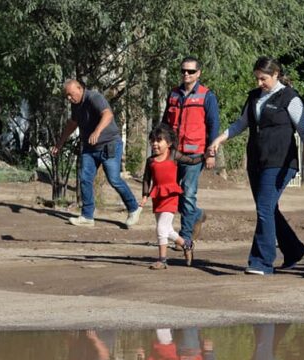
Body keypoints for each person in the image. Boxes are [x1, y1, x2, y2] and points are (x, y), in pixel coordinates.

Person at [208, 57, 304, 275]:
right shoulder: (254, 97)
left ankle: (262, 262)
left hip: (281, 162)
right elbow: (241, 124)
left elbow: (303, 129)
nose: (259, 83)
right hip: (256, 161)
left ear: (276, 75)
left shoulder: (290, 98)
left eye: (263, 78)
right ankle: (293, 249)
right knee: (268, 208)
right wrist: (219, 139)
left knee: (264, 208)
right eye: (257, 78)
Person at [51, 79, 141, 228]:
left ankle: (134, 208)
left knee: (114, 179)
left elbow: (107, 114)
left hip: (109, 144)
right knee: (85, 179)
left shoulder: (94, 97)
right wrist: (59, 144)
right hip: (90, 147)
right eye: (66, 96)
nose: (69, 98)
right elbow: (72, 124)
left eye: (70, 94)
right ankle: (87, 216)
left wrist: (97, 131)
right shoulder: (75, 105)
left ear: (80, 89)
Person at [162, 56, 219, 260]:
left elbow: (214, 127)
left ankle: (185, 236)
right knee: (170, 192)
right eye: (184, 71)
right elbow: (165, 124)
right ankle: (195, 214)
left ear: (199, 73)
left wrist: (211, 154)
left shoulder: (206, 96)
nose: (187, 74)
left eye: (191, 71)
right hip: (174, 152)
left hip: (195, 154)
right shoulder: (174, 95)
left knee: (187, 192)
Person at [140, 124, 202, 269]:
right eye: (152, 141)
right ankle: (187, 244)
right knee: (167, 230)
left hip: (171, 195)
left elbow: (192, 161)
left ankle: (162, 260)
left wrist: (205, 156)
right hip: (157, 196)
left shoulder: (173, 155)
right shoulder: (150, 161)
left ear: (168, 143)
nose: (155, 144)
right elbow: (146, 179)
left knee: (161, 228)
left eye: (158, 140)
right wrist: (144, 196)